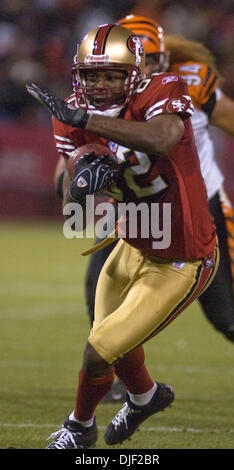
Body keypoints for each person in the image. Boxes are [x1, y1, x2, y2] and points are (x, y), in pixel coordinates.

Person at [27, 23, 219, 449]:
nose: (100, 84)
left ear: (134, 71)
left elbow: (165, 137)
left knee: (99, 349)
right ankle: (145, 397)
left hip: (181, 256)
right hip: (132, 242)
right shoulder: (72, 113)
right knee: (112, 334)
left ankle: (79, 428)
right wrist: (81, 184)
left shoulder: (160, 89)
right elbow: (72, 199)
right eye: (92, 75)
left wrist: (86, 121)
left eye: (111, 74)